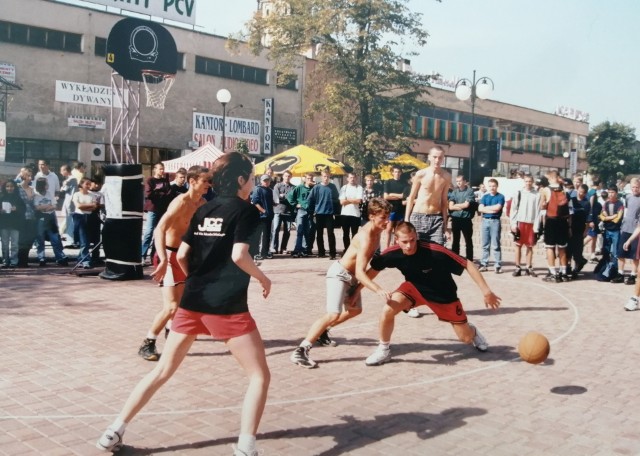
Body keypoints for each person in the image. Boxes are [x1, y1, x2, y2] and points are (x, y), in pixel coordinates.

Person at [96, 152, 272, 456]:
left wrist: (196, 280)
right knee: (259, 376)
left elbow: (180, 256)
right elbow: (239, 256)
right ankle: (246, 445)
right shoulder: (246, 212)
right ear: (241, 180)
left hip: (192, 302)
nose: (254, 183)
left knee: (163, 371)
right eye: (252, 177)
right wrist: (262, 277)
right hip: (227, 306)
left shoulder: (205, 209)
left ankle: (114, 430)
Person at [364, 222, 501, 366]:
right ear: (396, 240)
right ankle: (384, 349)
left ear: (416, 236)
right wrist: (354, 293)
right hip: (414, 288)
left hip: (443, 295)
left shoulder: (435, 250)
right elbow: (369, 273)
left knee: (465, 338)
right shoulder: (392, 253)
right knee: (388, 309)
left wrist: (487, 291)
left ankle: (472, 331)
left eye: (412, 240)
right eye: (404, 242)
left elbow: (468, 264)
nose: (409, 245)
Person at [290, 197, 392, 368]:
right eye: (383, 217)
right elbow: (360, 271)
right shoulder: (365, 236)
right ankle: (301, 350)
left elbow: (368, 268)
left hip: (352, 277)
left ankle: (323, 332)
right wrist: (378, 290)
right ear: (372, 216)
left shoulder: (379, 231)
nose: (386, 221)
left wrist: (357, 290)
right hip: (339, 274)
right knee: (333, 313)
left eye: (387, 216)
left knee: (355, 310)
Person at [138, 166, 211, 361]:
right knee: (171, 306)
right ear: (192, 181)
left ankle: (172, 330)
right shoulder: (180, 202)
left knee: (183, 302)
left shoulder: (203, 204)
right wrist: (162, 259)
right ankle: (148, 343)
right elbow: (159, 229)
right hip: (169, 256)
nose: (208, 185)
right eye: (205, 181)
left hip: (186, 256)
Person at [404, 146, 451, 246]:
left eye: (440, 157)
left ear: (443, 158)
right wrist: (406, 219)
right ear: (429, 157)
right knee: (417, 251)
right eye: (434, 157)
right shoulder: (421, 174)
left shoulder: (446, 176)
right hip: (418, 216)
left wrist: (445, 226)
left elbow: (444, 201)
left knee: (438, 251)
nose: (437, 160)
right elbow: (411, 197)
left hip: (436, 218)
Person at [538, 171, 571, 282]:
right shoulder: (564, 190)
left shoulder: (546, 190)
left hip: (551, 220)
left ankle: (553, 272)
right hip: (563, 221)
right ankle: (564, 272)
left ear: (551, 177)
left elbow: (541, 207)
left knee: (550, 247)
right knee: (562, 248)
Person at [33, 178, 68, 267]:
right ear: (42, 185)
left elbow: (55, 205)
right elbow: (37, 207)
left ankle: (60, 257)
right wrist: (48, 206)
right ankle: (41, 257)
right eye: (46, 184)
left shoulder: (49, 193)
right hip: (40, 217)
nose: (47, 185)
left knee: (55, 238)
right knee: (40, 238)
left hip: (50, 217)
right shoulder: (36, 195)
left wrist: (46, 207)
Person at [509, 174, 540, 277]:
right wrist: (513, 224)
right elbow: (513, 209)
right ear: (524, 181)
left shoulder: (537, 194)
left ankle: (528, 267)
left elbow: (538, 211)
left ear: (533, 182)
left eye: (530, 181)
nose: (528, 183)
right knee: (518, 245)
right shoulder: (519, 193)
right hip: (520, 222)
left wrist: (536, 226)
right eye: (526, 181)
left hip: (531, 223)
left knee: (530, 246)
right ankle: (517, 267)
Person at [141, 163, 171, 265]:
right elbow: (149, 194)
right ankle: (142, 256)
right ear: (155, 170)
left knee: (159, 233)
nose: (162, 171)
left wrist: (159, 192)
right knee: (148, 232)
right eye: (160, 169)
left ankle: (154, 255)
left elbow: (168, 193)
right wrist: (161, 192)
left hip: (162, 209)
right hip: (152, 209)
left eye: (163, 169)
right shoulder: (150, 180)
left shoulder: (165, 180)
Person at [308, 170, 340, 259]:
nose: (326, 178)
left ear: (330, 177)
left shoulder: (332, 187)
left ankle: (332, 253)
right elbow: (310, 199)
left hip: (329, 214)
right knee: (319, 234)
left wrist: (335, 211)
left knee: (330, 234)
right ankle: (321, 252)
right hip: (319, 213)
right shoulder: (316, 187)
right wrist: (312, 211)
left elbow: (337, 199)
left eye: (328, 176)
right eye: (324, 176)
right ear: (321, 177)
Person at [71, 178, 100, 269]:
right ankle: (86, 261)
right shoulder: (76, 194)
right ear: (81, 185)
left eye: (89, 184)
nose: (89, 186)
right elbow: (79, 206)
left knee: (86, 240)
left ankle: (80, 258)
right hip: (79, 217)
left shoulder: (92, 195)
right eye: (87, 184)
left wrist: (86, 207)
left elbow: (95, 207)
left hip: (89, 218)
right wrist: (89, 206)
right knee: (83, 241)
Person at [478, 178, 505, 273]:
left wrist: (486, 208)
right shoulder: (485, 197)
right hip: (485, 221)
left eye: (494, 186)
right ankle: (484, 264)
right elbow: (480, 209)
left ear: (497, 186)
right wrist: (490, 209)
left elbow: (497, 209)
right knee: (485, 244)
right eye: (490, 186)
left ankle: (497, 265)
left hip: (495, 221)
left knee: (495, 244)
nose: (492, 188)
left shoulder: (500, 197)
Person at [616, 178, 640, 284]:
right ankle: (620, 273)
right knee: (621, 253)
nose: (635, 189)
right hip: (625, 228)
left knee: (635, 255)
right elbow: (625, 211)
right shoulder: (628, 197)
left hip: (636, 230)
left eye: (637, 187)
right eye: (633, 187)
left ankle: (633, 275)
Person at [599, 185, 624, 282]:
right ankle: (605, 271)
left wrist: (609, 217)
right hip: (607, 231)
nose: (610, 194)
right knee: (605, 251)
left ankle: (615, 271)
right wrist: (611, 217)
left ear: (616, 193)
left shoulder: (620, 204)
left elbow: (617, 219)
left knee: (615, 253)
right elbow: (602, 217)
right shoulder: (606, 203)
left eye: (612, 192)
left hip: (616, 231)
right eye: (609, 192)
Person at [448, 174, 476, 261]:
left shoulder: (469, 191)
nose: (458, 183)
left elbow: (466, 205)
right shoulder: (454, 192)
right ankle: (455, 259)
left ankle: (469, 259)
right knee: (455, 240)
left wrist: (456, 205)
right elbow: (450, 207)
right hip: (456, 219)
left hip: (466, 219)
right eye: (457, 181)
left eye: (460, 181)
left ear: (464, 181)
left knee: (468, 240)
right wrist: (460, 206)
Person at [288, 172, 316, 257]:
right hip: (301, 210)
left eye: (311, 179)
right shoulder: (299, 187)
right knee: (299, 230)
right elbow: (289, 196)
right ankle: (297, 249)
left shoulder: (314, 188)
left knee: (307, 231)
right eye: (308, 178)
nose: (309, 180)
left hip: (310, 212)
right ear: (304, 179)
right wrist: (295, 204)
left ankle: (304, 249)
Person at [567, 183, 591, 277]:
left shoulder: (586, 203)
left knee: (577, 250)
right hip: (570, 228)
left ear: (585, 193)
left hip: (580, 229)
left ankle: (576, 268)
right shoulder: (572, 200)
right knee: (568, 249)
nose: (581, 194)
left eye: (583, 193)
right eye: (580, 192)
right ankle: (567, 267)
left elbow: (588, 219)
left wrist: (586, 231)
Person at [0, 180, 26, 267]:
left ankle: (14, 261)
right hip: (4, 224)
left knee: (14, 244)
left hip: (15, 224)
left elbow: (23, 209)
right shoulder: (2, 197)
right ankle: (5, 261)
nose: (9, 188)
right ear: (4, 187)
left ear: (14, 187)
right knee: (4, 244)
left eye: (11, 186)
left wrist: (17, 209)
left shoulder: (18, 198)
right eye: (7, 186)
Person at [251, 174, 275, 261]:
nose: (266, 182)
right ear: (261, 181)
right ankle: (256, 253)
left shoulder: (269, 190)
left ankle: (265, 252)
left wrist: (274, 204)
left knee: (267, 235)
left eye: (268, 180)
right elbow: (255, 202)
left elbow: (269, 202)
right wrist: (263, 211)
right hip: (260, 217)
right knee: (258, 235)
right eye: (264, 180)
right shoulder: (257, 189)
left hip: (268, 216)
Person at [16, 167, 37, 267]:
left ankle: (25, 259)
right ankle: (21, 260)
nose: (30, 177)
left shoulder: (32, 189)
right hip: (21, 217)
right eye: (28, 175)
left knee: (29, 239)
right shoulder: (17, 188)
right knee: (21, 239)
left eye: (31, 175)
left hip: (32, 217)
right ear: (23, 176)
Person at [271, 170, 295, 254]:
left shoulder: (293, 187)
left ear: (291, 177)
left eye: (289, 176)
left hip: (288, 211)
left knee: (287, 231)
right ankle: (274, 248)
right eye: (285, 176)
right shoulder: (277, 185)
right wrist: (286, 196)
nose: (287, 177)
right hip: (278, 210)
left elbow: (292, 199)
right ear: (283, 176)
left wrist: (283, 196)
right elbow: (277, 198)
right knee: (275, 229)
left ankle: (283, 248)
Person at [383, 165, 407, 249]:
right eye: (395, 171)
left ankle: (395, 247)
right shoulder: (388, 182)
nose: (397, 173)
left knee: (397, 230)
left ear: (401, 173)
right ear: (392, 172)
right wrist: (399, 196)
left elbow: (403, 196)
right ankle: (386, 248)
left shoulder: (404, 183)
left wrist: (392, 194)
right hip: (391, 209)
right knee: (388, 229)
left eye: (398, 172)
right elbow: (385, 197)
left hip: (400, 209)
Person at [339, 172, 363, 252]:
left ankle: (354, 250)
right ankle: (346, 249)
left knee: (354, 234)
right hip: (345, 214)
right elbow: (342, 202)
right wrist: (353, 200)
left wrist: (347, 199)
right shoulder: (344, 188)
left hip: (355, 214)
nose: (352, 179)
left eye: (353, 177)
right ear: (347, 179)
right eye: (350, 177)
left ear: (356, 178)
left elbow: (359, 200)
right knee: (345, 233)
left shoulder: (359, 187)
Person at [58, 164, 78, 246]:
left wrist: (63, 185)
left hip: (70, 202)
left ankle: (70, 240)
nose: (61, 172)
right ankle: (70, 239)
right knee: (69, 220)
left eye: (62, 170)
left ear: (66, 171)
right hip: (68, 201)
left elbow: (63, 190)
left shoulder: (71, 179)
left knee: (70, 221)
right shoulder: (71, 179)